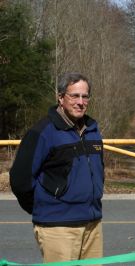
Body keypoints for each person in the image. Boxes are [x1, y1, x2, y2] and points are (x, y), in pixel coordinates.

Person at [9, 73, 104, 263]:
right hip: (58, 227)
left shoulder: (93, 130)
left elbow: (98, 170)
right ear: (61, 98)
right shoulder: (42, 132)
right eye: (74, 96)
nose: (80, 102)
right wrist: (45, 207)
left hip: (92, 224)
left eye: (85, 96)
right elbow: (20, 180)